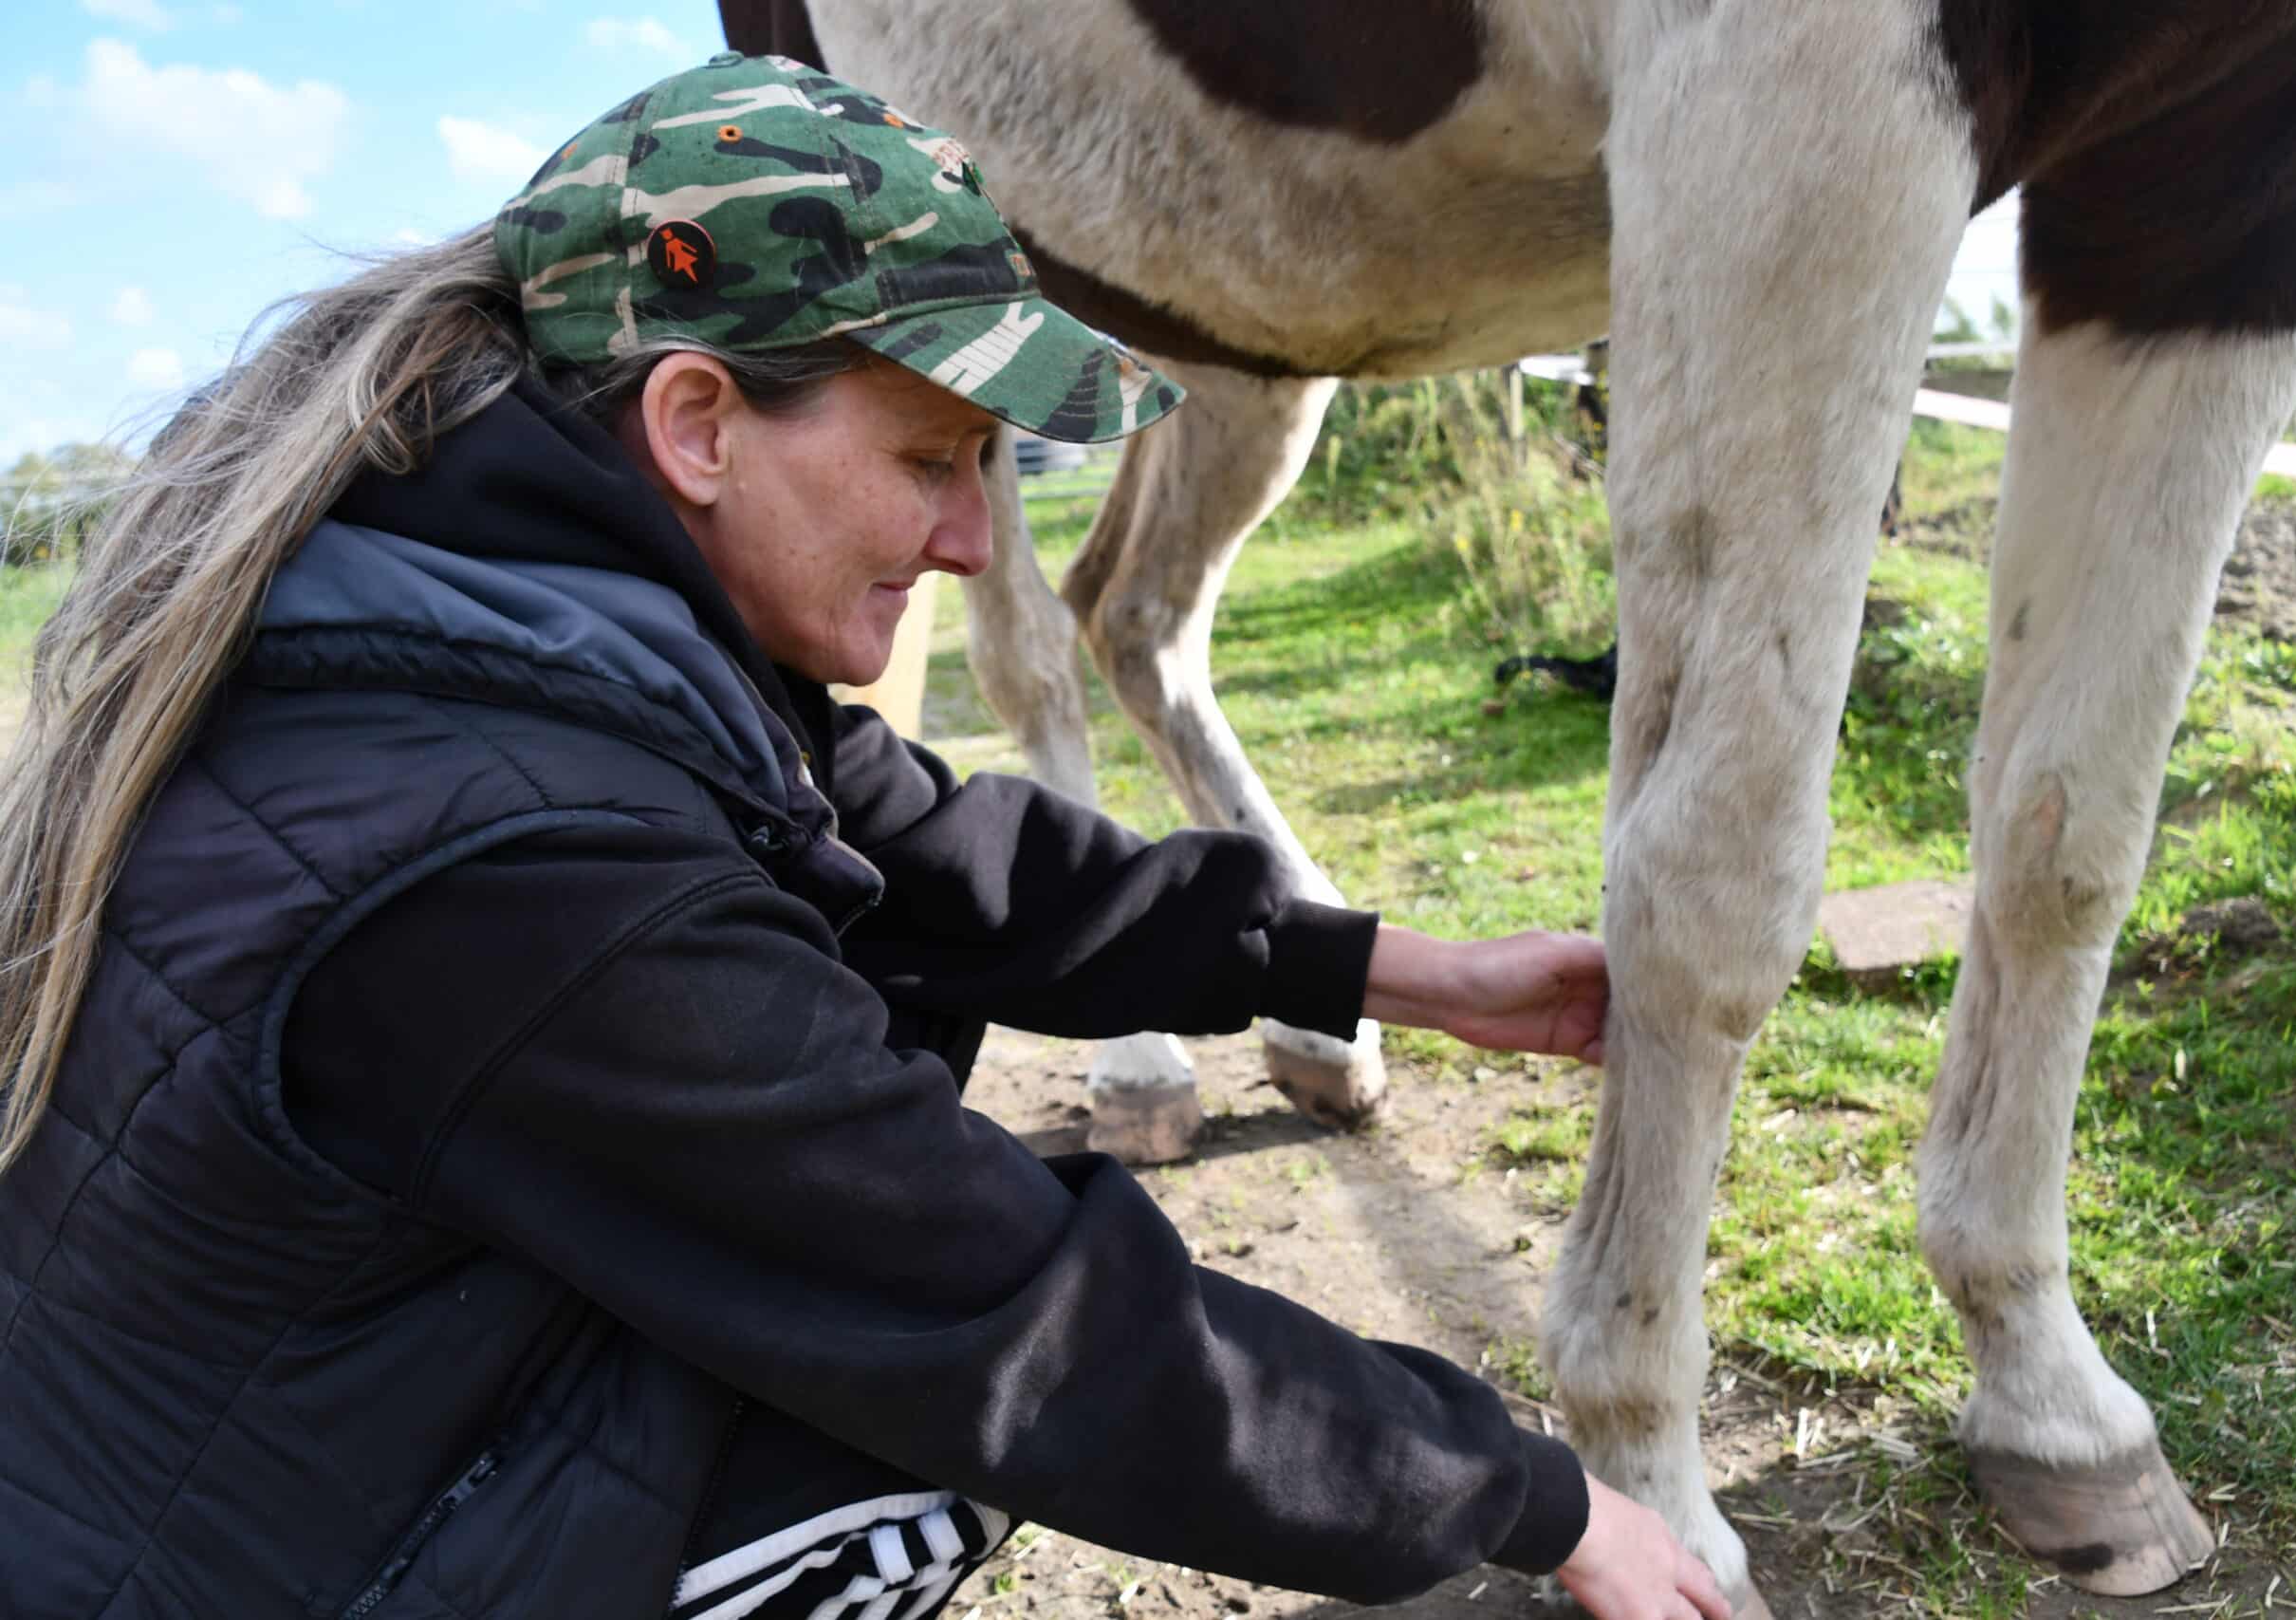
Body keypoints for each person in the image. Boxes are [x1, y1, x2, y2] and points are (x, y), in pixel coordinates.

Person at [0, 54, 1726, 1620]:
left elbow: (958, 861)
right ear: (695, 426)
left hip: (276, 1448)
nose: (974, 540)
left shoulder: (527, 625)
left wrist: (1398, 973)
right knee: (915, 1434)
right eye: (930, 455)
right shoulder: (521, 867)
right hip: (225, 1569)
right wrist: (1537, 1500)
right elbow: (1001, 1301)